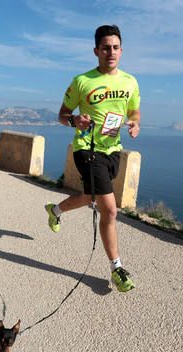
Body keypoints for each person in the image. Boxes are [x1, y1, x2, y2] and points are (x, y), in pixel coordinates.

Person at [44, 24, 141, 293]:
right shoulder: (82, 81)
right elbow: (62, 115)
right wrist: (74, 120)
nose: (111, 52)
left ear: (121, 51)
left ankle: (55, 210)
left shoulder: (130, 82)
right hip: (87, 148)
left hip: (113, 150)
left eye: (116, 47)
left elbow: (135, 112)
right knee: (110, 209)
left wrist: (134, 124)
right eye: (106, 47)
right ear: (96, 51)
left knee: (91, 197)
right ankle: (117, 268)